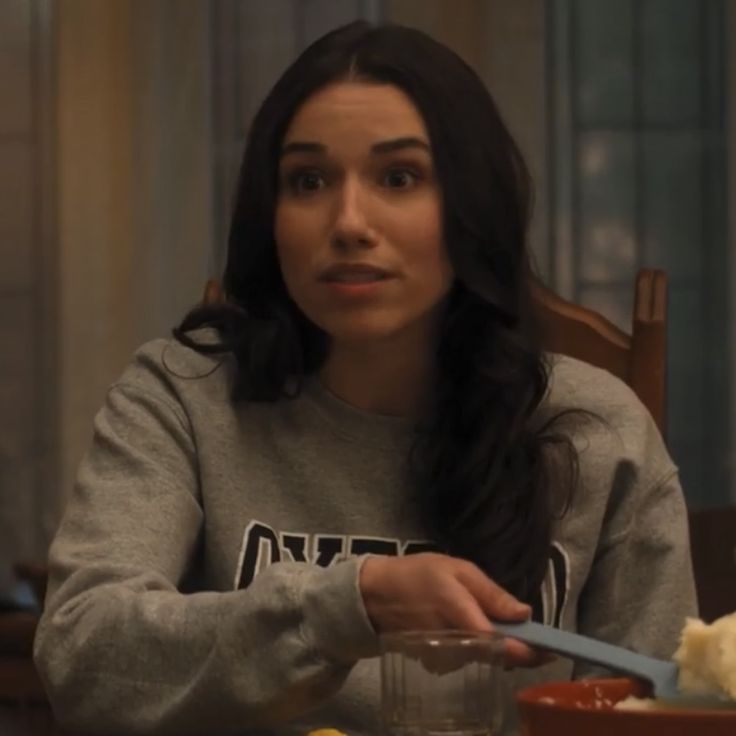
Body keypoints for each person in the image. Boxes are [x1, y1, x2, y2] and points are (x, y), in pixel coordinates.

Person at [34, 20, 697, 736]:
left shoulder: (598, 431)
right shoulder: (183, 397)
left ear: (471, 209)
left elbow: (658, 707)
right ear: (271, 215)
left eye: (400, 177)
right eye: (309, 180)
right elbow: (83, 657)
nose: (349, 222)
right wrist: (353, 606)